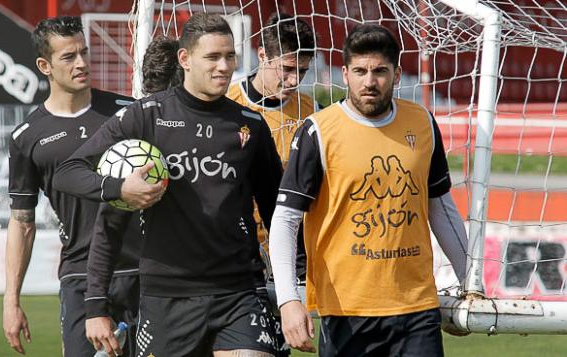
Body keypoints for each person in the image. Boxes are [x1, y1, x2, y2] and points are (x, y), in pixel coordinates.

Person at [53, 13, 283, 357]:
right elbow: (69, 171)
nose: (224, 67)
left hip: (238, 291)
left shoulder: (250, 126)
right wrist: (120, 189)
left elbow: (277, 212)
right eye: (212, 57)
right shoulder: (146, 116)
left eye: (230, 56)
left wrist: (293, 285)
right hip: (166, 296)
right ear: (185, 60)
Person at [269, 24, 468, 356]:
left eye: (379, 71)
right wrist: (289, 299)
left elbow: (442, 208)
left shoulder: (422, 123)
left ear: (397, 73)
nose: (369, 82)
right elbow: (286, 220)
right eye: (360, 71)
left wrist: (470, 282)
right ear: (345, 74)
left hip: (416, 309)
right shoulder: (318, 131)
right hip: (346, 311)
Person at [2, 16, 141, 357]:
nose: (81, 63)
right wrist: (11, 301)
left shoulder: (128, 113)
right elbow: (22, 222)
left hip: (145, 270)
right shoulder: (27, 137)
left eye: (84, 52)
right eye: (68, 57)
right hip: (80, 275)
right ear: (44, 65)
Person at [225, 13, 316, 357]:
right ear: (262, 55)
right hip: (235, 257)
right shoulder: (229, 104)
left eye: (302, 72)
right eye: (287, 69)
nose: (294, 80)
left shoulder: (313, 113)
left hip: (290, 260)